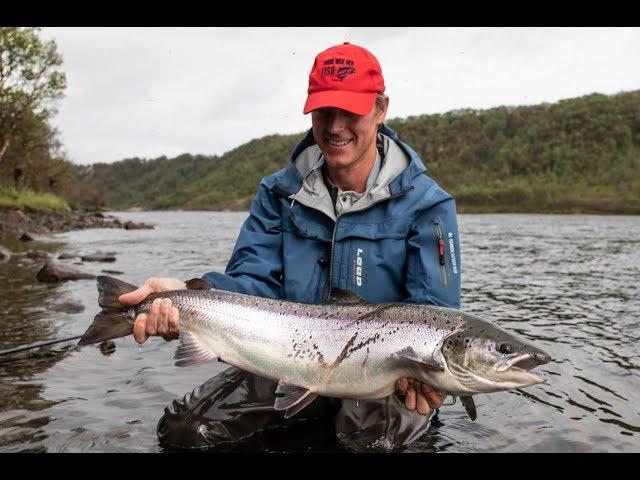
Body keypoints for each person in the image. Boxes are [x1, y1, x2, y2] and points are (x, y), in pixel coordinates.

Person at [119, 42, 462, 451]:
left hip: (384, 377)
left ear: (381, 109)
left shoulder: (430, 206)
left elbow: (434, 316)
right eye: (323, 111)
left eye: (349, 110)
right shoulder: (278, 192)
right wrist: (189, 298)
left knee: (374, 445)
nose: (334, 127)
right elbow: (252, 282)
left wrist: (427, 378)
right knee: (185, 432)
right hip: (284, 356)